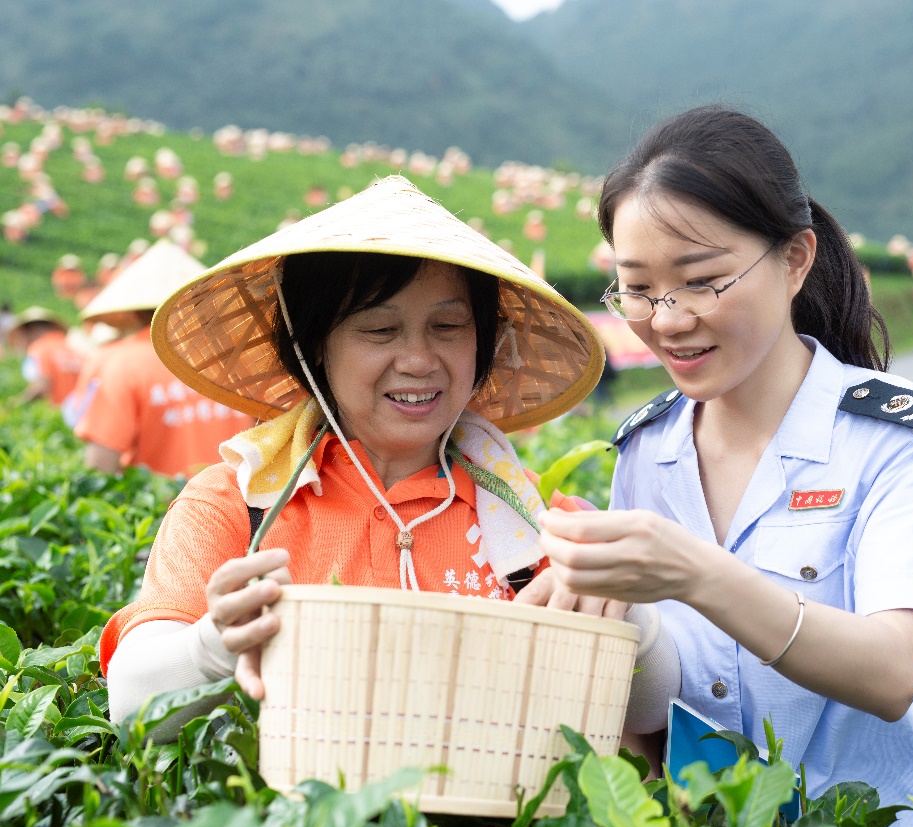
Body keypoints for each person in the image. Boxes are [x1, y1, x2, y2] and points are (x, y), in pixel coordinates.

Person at [519, 106, 913, 827]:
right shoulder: (645, 448)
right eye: (637, 291)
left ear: (795, 260)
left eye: (702, 282)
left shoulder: (906, 438)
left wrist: (698, 575)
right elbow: (658, 722)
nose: (666, 321)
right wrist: (612, 634)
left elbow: (893, 671)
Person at [100, 176, 621, 735]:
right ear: (314, 346)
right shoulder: (234, 503)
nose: (419, 359)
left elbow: (650, 703)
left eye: (448, 326)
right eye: (379, 329)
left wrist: (627, 602)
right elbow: (132, 703)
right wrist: (209, 648)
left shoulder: (531, 517)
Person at [71, 239, 257, 475]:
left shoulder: (123, 364)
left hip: (161, 507)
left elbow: (100, 464)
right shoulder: (241, 356)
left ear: (134, 310)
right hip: (240, 505)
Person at [8, 306, 83, 405]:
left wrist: (16, 403)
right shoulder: (70, 346)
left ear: (29, 331)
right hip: (84, 410)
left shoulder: (39, 349)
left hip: (60, 411)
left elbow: (42, 384)